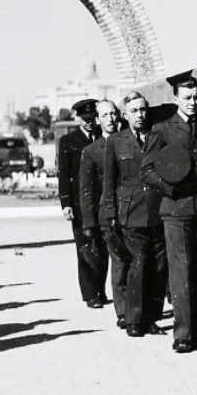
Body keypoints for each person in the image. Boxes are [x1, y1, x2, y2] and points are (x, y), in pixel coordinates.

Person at [140, 77, 197, 353]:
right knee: (181, 270)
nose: (192, 103)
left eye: (196, 97)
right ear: (176, 98)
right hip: (176, 208)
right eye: (187, 97)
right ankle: (182, 335)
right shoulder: (163, 129)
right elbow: (146, 170)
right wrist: (170, 186)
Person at [103, 92, 167, 338]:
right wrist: (110, 213)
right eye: (134, 111)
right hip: (130, 212)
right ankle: (134, 319)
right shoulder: (116, 142)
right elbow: (109, 181)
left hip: (158, 209)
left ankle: (152, 318)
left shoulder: (157, 136)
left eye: (142, 110)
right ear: (125, 115)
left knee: (160, 266)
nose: (140, 115)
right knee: (139, 264)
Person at [79, 100, 128, 326]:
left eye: (113, 114)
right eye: (105, 115)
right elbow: (86, 190)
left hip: (132, 210)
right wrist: (88, 223)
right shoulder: (91, 151)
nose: (111, 119)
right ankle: (124, 313)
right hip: (107, 214)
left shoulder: (130, 141)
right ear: (98, 120)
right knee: (118, 263)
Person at [58, 98, 109, 308]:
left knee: (104, 247)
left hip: (102, 200)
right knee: (85, 247)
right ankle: (90, 294)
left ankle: (101, 289)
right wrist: (66, 203)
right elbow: (63, 174)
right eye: (86, 118)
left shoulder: (103, 136)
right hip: (80, 202)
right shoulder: (68, 141)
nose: (90, 122)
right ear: (79, 118)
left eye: (93, 118)